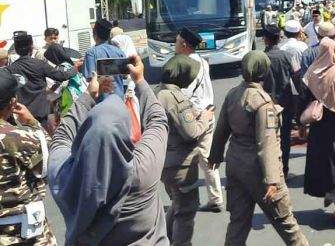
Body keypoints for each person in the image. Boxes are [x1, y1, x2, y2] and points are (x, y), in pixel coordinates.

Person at [49, 56, 170, 245]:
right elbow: (158, 121)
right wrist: (140, 81)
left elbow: (61, 137)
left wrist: (88, 97)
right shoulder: (143, 168)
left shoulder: (67, 176)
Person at [209, 51, 308, 246]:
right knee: (286, 222)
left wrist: (215, 155)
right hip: (259, 171)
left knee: (238, 223)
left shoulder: (232, 94)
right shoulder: (262, 103)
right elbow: (267, 142)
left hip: (236, 165)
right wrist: (272, 180)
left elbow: (221, 130)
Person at [156, 55, 213, 245]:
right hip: (180, 164)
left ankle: (167, 238)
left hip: (162, 160)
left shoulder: (158, 92)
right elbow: (191, 132)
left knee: (178, 204)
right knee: (186, 210)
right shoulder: (176, 97)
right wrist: (204, 117)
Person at [300, 38, 335, 222]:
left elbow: (304, 99)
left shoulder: (312, 72)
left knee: (325, 162)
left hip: (319, 123)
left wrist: (301, 124)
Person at [0, 69, 56, 245]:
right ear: (12, 101)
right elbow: (52, 157)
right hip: (23, 233)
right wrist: (33, 123)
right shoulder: (18, 136)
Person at [173, 28, 223, 213]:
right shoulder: (202, 61)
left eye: (177, 42)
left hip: (193, 115)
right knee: (207, 157)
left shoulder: (185, 65)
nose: (174, 45)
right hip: (208, 113)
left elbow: (183, 94)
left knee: (185, 158)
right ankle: (215, 198)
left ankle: (185, 199)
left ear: (184, 45)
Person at [6, 32, 82, 132]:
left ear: (16, 49)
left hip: (21, 115)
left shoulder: (10, 69)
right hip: (41, 116)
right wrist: (75, 67)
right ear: (31, 48)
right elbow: (62, 76)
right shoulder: (39, 64)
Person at [262, 25, 300, 179]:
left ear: (264, 40)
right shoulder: (288, 57)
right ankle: (283, 171)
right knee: (284, 138)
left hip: (265, 105)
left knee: (267, 138)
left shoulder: (259, 58)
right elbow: (297, 79)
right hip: (285, 104)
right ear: (279, 38)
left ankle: (268, 172)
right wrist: (302, 102)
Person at [81, 19, 125, 98]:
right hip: (119, 100)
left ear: (95, 34)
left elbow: (90, 79)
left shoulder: (91, 53)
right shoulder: (119, 52)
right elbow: (125, 76)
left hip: (101, 102)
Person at [44, 44, 87, 119]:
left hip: (69, 100)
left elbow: (60, 85)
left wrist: (48, 92)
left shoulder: (62, 67)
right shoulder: (69, 65)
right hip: (79, 98)